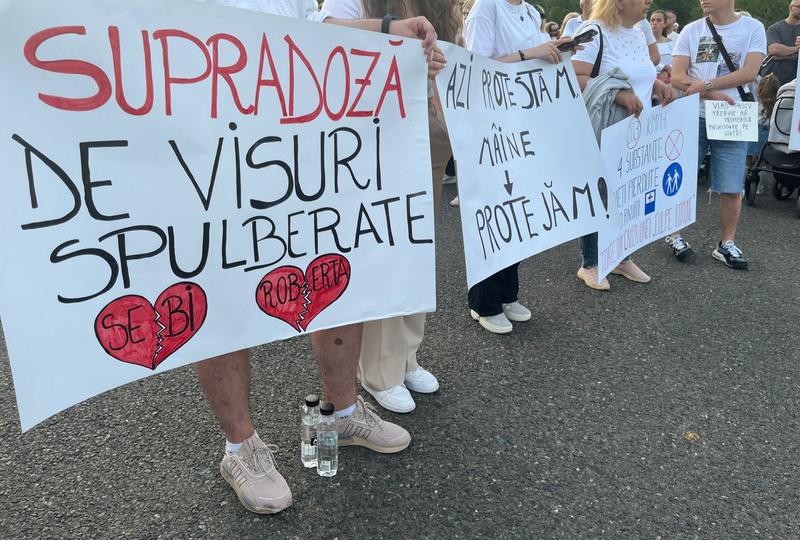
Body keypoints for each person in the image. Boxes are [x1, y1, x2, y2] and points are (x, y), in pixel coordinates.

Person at [195, 0, 443, 514]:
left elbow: (311, 31)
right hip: (211, 143)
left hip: (303, 141)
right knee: (220, 295)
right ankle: (242, 448)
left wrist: (391, 33)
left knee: (334, 272)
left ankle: (342, 412)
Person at [318, 0, 459, 413]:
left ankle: (406, 355)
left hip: (422, 137)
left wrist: (436, 64)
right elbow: (322, 41)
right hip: (370, 140)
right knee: (383, 252)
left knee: (417, 251)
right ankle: (379, 370)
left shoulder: (436, 5)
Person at [463, 0, 577, 333]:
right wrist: (532, 53)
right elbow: (476, 67)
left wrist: (554, 49)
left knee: (518, 209)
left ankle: (507, 293)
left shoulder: (528, 10)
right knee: (494, 210)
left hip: (524, 124)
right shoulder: (487, 7)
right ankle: (483, 302)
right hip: (494, 128)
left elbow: (537, 54)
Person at [571, 0, 674, 290]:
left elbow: (639, 72)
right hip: (605, 126)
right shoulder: (593, 31)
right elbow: (576, 76)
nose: (648, 3)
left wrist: (657, 86)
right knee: (600, 193)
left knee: (629, 191)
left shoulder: (638, 32)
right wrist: (619, 95)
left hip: (635, 128)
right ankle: (590, 262)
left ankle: (621, 255)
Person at [667, 0, 767, 269]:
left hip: (733, 116)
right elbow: (677, 75)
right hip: (694, 113)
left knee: (733, 183)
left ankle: (726, 243)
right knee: (682, 177)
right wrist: (711, 93)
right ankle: (674, 234)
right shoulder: (691, 30)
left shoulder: (753, 28)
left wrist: (708, 84)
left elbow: (750, 72)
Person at [766, 0, 800, 86]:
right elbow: (774, 50)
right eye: (799, 7)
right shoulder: (775, 28)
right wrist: (797, 49)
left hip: (797, 78)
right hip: (777, 79)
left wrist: (784, 52)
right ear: (790, 7)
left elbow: (779, 53)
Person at [651, 9, 674, 81]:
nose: (655, 23)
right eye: (652, 20)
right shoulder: (645, 43)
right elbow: (645, 62)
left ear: (664, 24)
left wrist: (668, 71)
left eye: (659, 20)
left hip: (669, 79)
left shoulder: (672, 43)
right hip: (651, 79)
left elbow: (676, 62)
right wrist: (663, 68)